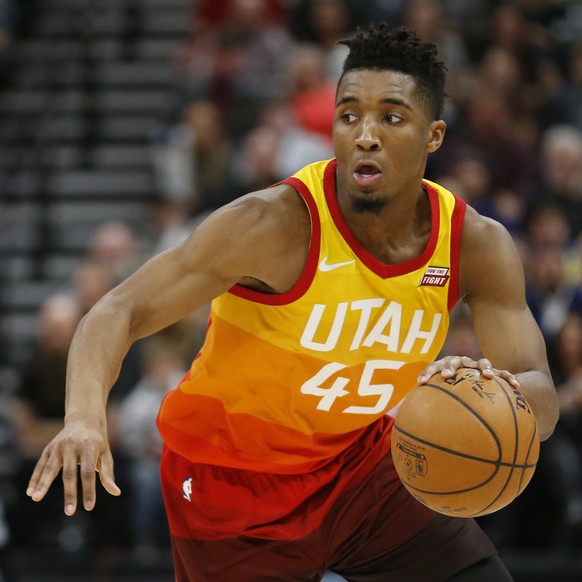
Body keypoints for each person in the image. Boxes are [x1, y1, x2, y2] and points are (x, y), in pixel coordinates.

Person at [26, 23, 559, 581]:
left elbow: (539, 393)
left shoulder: (475, 245)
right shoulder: (272, 224)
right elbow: (118, 310)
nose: (365, 135)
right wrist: (84, 419)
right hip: (231, 484)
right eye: (349, 114)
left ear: (434, 136)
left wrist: (496, 393)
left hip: (359, 468)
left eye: (391, 117)